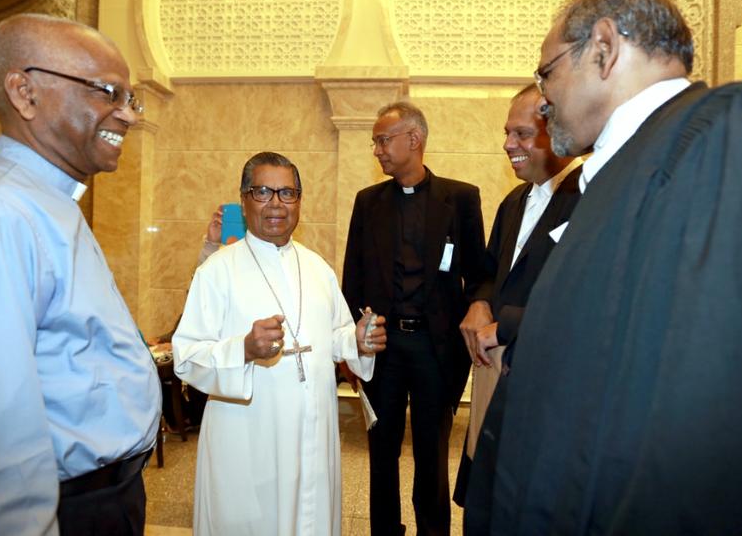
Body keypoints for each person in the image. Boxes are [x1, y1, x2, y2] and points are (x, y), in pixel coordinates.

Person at [467, 0, 742, 533]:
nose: (543, 98)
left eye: (545, 73)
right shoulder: (618, 172)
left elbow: (702, 421)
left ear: (603, 48)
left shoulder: (719, 134)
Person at [0, 14, 161, 535]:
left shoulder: (45, 202)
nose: (128, 116)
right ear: (25, 92)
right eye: (107, 92)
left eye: (129, 98)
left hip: (102, 500)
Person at [172, 151, 387, 536]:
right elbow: (186, 357)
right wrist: (244, 350)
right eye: (263, 192)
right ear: (244, 198)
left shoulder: (317, 267)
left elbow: (334, 336)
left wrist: (358, 340)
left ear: (300, 200)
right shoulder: (217, 271)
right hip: (248, 440)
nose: (276, 204)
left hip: (314, 436)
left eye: (287, 193)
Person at [342, 101, 485, 535]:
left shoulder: (460, 199)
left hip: (435, 350)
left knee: (432, 453)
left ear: (414, 140)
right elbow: (353, 279)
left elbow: (478, 275)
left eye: (383, 140)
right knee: (380, 450)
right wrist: (351, 347)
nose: (377, 150)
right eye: (375, 142)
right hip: (383, 349)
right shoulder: (367, 203)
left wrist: (478, 312)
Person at [453, 83, 580, 507]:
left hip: (545, 382)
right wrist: (479, 303)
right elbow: (489, 272)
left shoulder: (588, 197)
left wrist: (505, 324)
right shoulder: (514, 201)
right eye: (508, 133)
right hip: (493, 373)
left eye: (522, 134)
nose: (509, 145)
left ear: (557, 129)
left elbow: (581, 300)